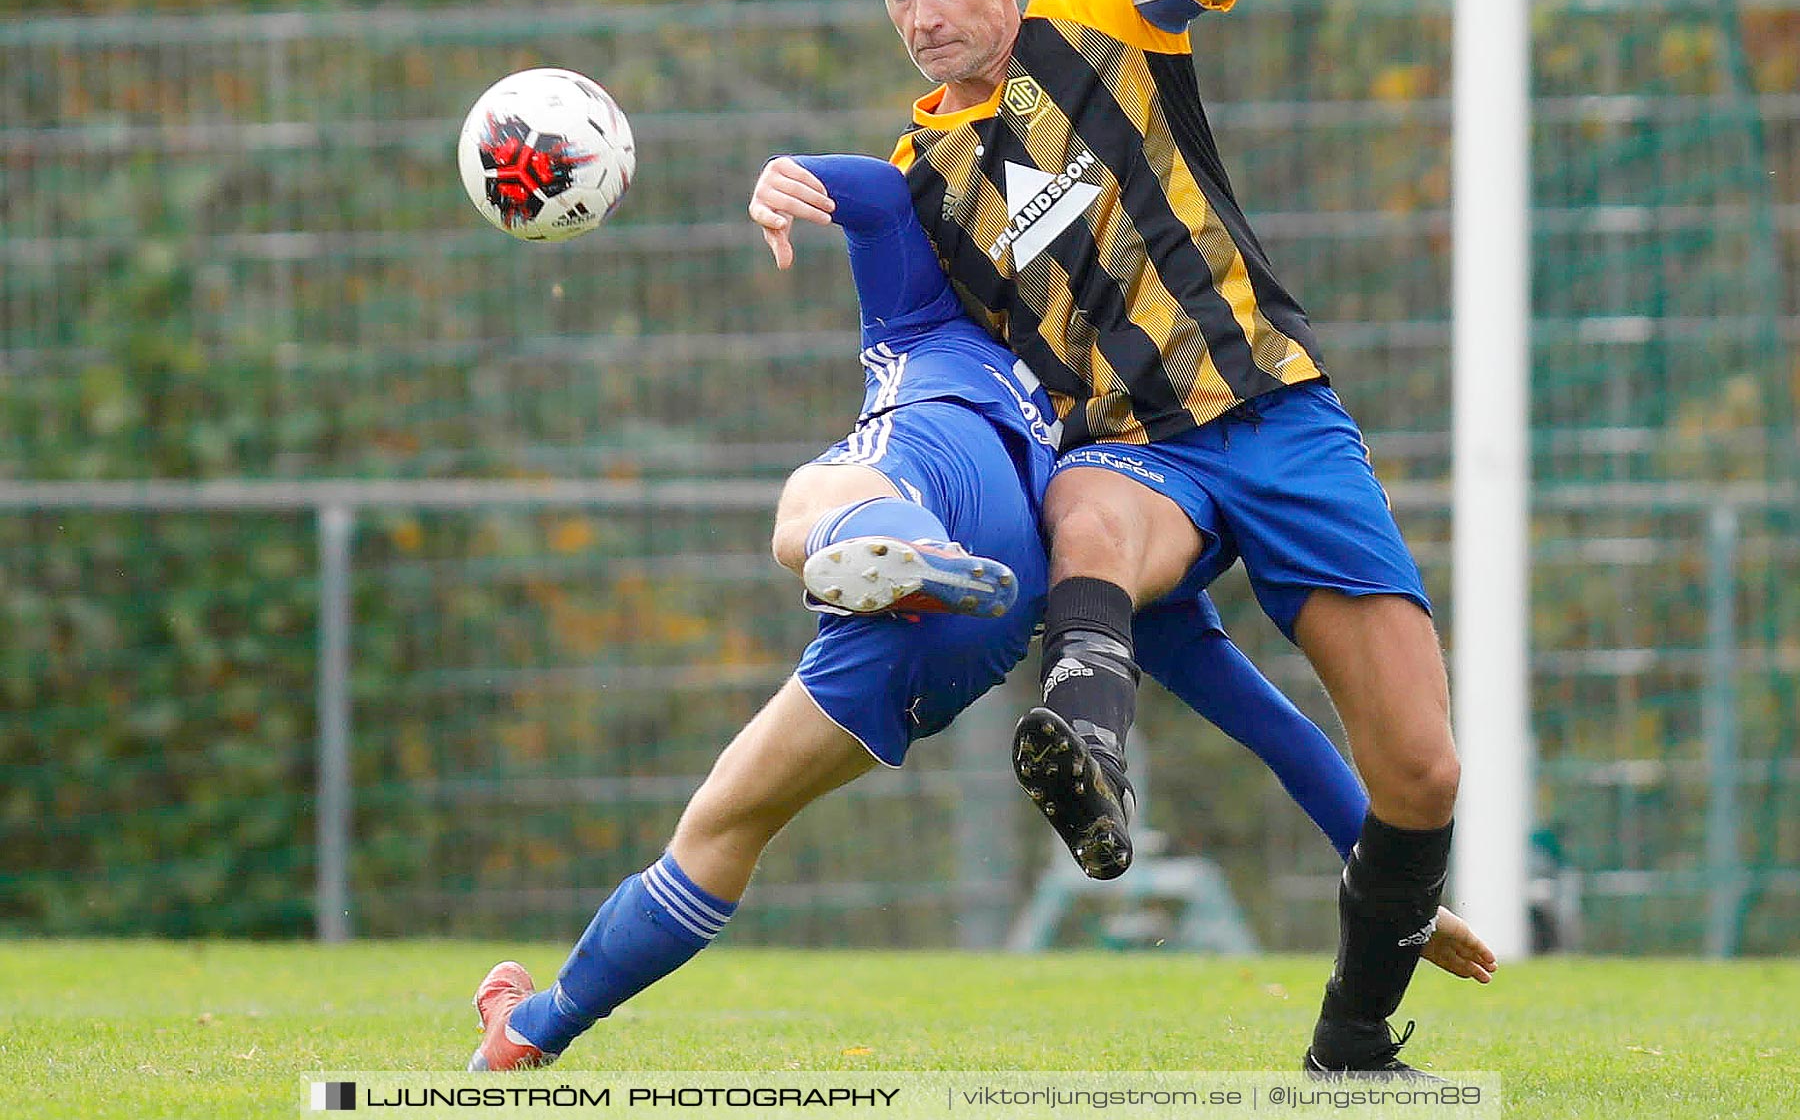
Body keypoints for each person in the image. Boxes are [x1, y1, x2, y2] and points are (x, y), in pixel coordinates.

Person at [471, 156, 1490, 1071]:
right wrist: (1385, 871)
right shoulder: (1090, 448)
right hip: (985, 621)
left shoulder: (951, 332)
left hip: (933, 486)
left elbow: (875, 195)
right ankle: (530, 1026)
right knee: (721, 824)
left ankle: (885, 549)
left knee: (811, 503)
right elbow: (1258, 712)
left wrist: (794, 174)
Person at [748, 0, 1462, 1077]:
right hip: (1134, 449)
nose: (921, 14)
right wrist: (798, 184)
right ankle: (1089, 754)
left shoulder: (1098, 9)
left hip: (1281, 415)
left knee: (1421, 774)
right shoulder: (924, 182)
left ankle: (1353, 1045)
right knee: (1081, 507)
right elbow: (885, 250)